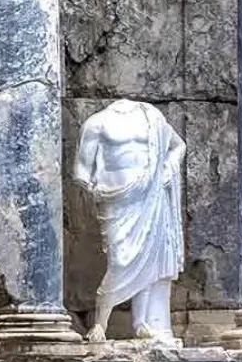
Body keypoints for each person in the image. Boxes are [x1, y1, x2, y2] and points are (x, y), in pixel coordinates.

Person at [72, 98, 185, 345]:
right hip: (116, 200)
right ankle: (100, 324)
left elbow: (178, 146)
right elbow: (81, 170)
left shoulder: (152, 117)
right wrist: (96, 192)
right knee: (120, 260)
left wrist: (166, 169)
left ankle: (141, 323)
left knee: (148, 259)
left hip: (150, 197)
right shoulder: (97, 123)